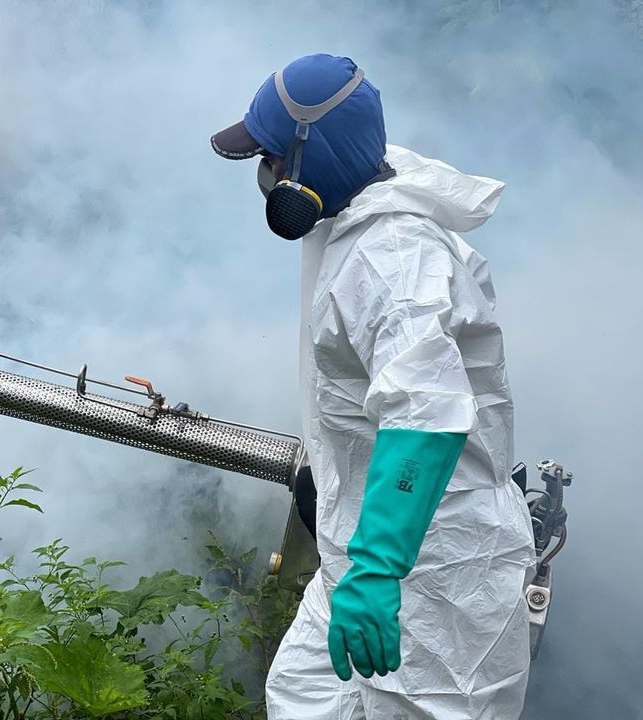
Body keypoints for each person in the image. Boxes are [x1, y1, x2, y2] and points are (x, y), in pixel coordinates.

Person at [210, 53, 537, 720]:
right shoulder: (356, 196)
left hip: (435, 573)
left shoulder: (394, 263)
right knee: (302, 695)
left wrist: (379, 567)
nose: (264, 173)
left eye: (269, 156)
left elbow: (426, 415)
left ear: (310, 159)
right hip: (360, 542)